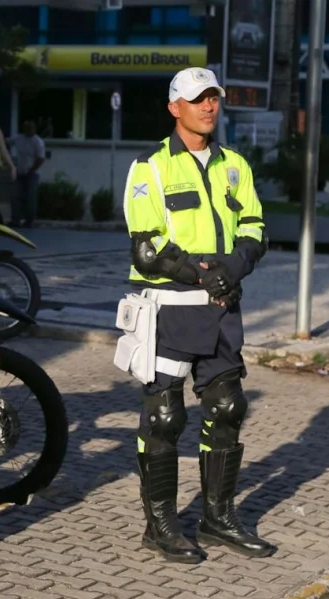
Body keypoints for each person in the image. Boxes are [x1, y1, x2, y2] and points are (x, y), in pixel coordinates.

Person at [116, 67, 272, 564]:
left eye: (213, 98)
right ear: (174, 106)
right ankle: (160, 525)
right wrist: (198, 274)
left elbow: (254, 228)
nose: (208, 106)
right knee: (164, 417)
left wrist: (232, 267)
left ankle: (218, 517)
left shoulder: (235, 166)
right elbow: (146, 247)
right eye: (197, 98)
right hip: (170, 310)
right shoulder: (150, 167)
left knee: (227, 409)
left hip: (223, 310)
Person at [10, 119, 45, 228]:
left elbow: (40, 158)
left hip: (32, 173)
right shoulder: (18, 138)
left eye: (31, 128)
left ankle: (29, 221)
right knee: (16, 196)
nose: (29, 130)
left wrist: (32, 170)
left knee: (30, 197)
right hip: (20, 172)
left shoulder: (38, 142)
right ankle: (15, 220)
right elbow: (7, 142)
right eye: (27, 128)